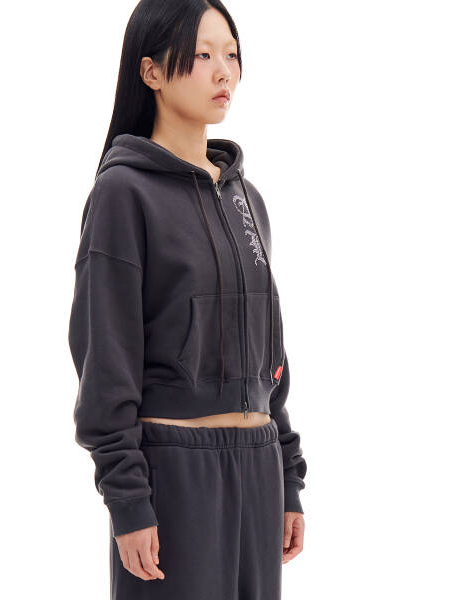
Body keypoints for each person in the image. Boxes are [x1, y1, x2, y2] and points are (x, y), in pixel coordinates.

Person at [67, 1, 307, 598]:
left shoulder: (246, 199)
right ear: (150, 71)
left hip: (258, 464)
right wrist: (128, 498)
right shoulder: (123, 193)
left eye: (232, 54)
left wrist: (288, 476)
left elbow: (269, 353)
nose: (224, 71)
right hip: (175, 471)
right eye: (202, 55)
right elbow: (105, 358)